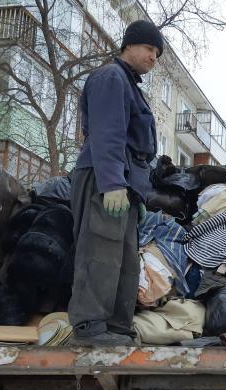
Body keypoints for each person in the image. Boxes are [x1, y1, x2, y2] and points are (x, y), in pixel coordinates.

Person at [68, 20, 164, 346]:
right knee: (100, 251)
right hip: (103, 177)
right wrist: (112, 183)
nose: (154, 57)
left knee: (123, 260)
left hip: (123, 182)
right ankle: (90, 328)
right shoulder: (111, 77)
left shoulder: (129, 85)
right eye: (150, 49)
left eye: (158, 53)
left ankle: (117, 328)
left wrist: (135, 192)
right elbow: (107, 134)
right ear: (129, 46)